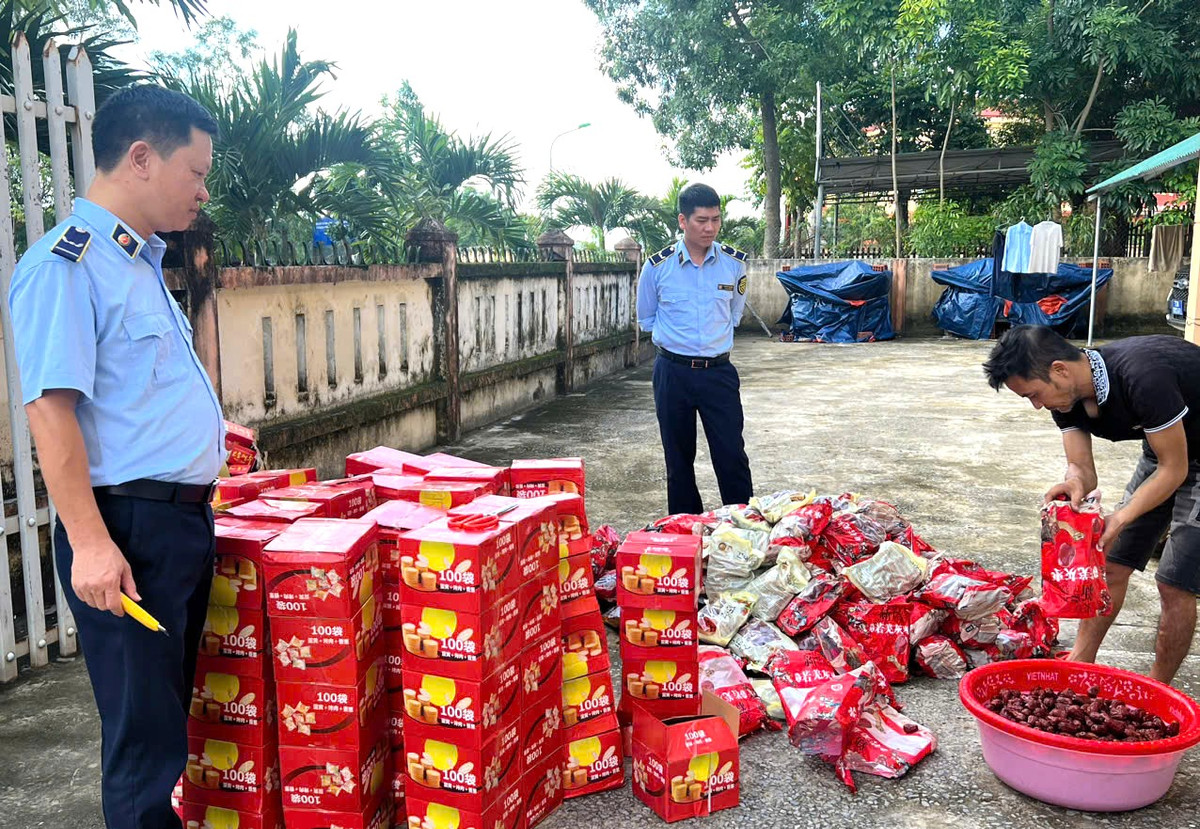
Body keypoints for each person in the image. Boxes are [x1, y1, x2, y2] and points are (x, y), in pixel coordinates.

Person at [8, 85, 224, 828]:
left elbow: (134, 395)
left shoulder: (137, 261)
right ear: (141, 158)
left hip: (174, 526)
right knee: (144, 750)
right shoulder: (66, 265)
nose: (203, 190)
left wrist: (209, 437)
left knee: (168, 724)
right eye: (196, 172)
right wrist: (92, 544)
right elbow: (50, 408)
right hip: (127, 533)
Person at [983, 324, 1200, 685]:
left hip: (1180, 456)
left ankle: (1156, 689)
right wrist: (1074, 483)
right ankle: (1081, 660)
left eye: (1034, 394)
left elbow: (1174, 470)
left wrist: (1121, 517)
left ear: (1060, 370)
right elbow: (1082, 468)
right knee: (1111, 562)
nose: (1037, 405)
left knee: (1175, 583)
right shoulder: (1065, 398)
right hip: (1165, 449)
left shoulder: (1143, 376)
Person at [636, 182, 753, 514]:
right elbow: (647, 317)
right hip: (672, 373)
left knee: (731, 455)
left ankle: (743, 525)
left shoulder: (734, 265)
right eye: (702, 220)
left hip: (718, 373)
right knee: (678, 459)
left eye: (715, 219)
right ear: (682, 221)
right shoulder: (657, 267)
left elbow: (733, 314)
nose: (710, 228)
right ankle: (685, 528)